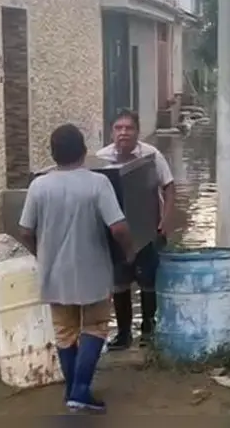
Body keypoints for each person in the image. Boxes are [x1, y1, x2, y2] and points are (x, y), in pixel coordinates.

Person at [18, 123, 134, 413]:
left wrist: (40, 253)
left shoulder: (39, 186)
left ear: (53, 155)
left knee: (65, 332)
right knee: (95, 327)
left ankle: (72, 391)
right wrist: (128, 253)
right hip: (92, 271)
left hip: (53, 272)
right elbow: (118, 227)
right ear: (83, 152)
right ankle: (80, 390)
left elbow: (24, 230)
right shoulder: (98, 184)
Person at [96, 109, 176, 350]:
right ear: (112, 132)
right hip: (116, 233)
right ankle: (123, 333)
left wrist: (165, 220)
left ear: (137, 131)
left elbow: (169, 187)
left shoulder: (151, 156)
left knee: (148, 280)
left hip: (148, 228)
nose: (123, 133)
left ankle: (149, 329)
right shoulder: (101, 159)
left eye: (128, 128)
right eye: (119, 128)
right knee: (119, 282)